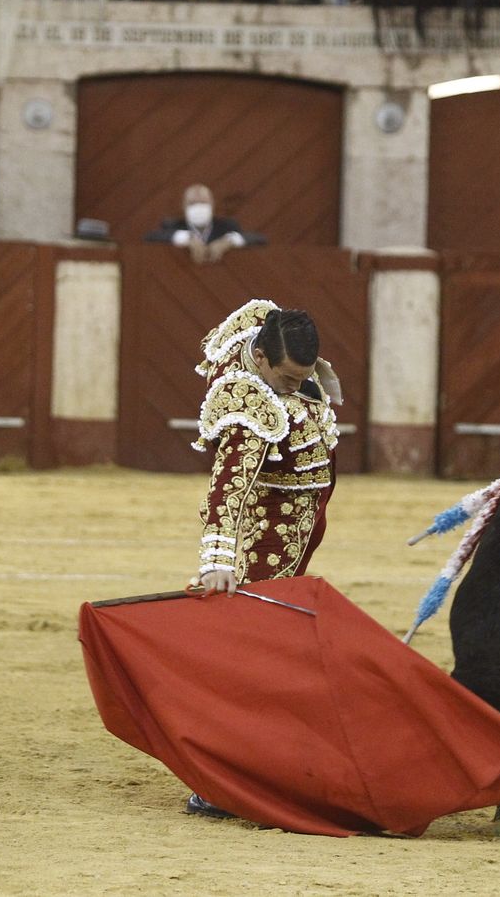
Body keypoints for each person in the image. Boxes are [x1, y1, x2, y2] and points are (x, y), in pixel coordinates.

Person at [184, 301, 342, 824]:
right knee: (250, 656)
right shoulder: (247, 402)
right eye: (289, 378)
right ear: (260, 359)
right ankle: (219, 780)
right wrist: (219, 560)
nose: (297, 387)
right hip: (267, 540)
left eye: (305, 376)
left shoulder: (271, 336)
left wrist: (307, 379)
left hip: (296, 531)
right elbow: (229, 486)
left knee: (264, 652)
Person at [146, 184, 250, 263]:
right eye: (192, 203)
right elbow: (150, 236)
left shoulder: (227, 226)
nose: (198, 207)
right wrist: (188, 238)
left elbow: (258, 238)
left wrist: (228, 241)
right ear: (183, 206)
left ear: (212, 205)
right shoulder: (172, 225)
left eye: (203, 202)